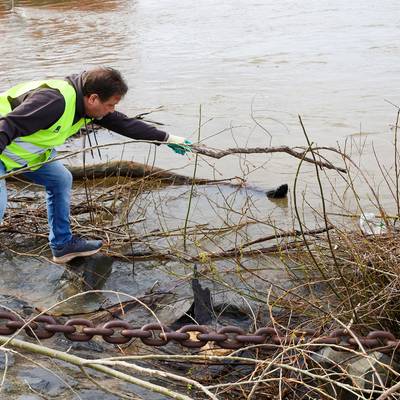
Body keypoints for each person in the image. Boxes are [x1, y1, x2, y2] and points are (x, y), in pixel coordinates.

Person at [0, 67, 192, 264]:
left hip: (27, 154)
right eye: (110, 105)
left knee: (60, 179)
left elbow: (124, 124)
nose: (112, 110)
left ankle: (62, 246)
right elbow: (7, 126)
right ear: (93, 99)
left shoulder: (86, 104)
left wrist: (168, 138)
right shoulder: (54, 101)